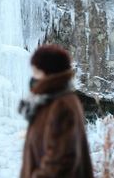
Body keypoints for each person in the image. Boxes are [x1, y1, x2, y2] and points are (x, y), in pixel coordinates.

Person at [19, 44, 94, 178]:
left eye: (36, 71)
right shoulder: (52, 101)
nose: (33, 77)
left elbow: (62, 160)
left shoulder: (62, 105)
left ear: (48, 72)